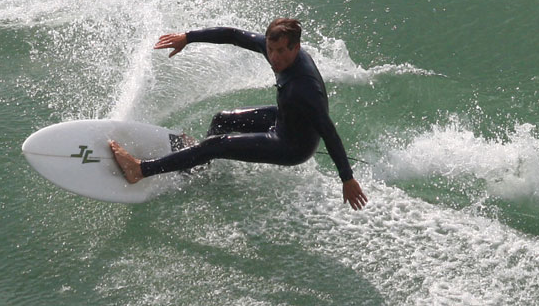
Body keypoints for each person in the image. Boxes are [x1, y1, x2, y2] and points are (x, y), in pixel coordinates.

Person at [109, 18, 368, 210]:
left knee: (216, 144)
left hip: (292, 145)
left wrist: (347, 178)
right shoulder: (274, 50)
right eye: (270, 50)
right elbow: (232, 35)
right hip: (284, 119)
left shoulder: (305, 88)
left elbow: (329, 131)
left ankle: (140, 170)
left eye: (281, 52)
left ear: (296, 48)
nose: (274, 58)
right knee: (221, 120)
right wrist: (188, 37)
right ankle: (199, 164)